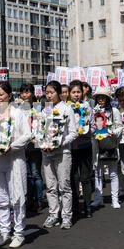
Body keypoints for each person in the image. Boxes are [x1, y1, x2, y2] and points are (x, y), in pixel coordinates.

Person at [0, 81, 31, 248]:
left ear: (9, 95)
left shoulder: (18, 113)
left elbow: (27, 136)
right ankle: (4, 231)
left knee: (17, 197)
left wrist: (11, 146)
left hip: (14, 160)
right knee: (2, 198)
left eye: (1, 94)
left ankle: (19, 232)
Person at [41, 81, 76, 229]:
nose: (48, 95)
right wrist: (41, 142)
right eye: (47, 93)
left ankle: (66, 216)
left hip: (63, 153)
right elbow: (40, 130)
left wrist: (60, 142)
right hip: (47, 153)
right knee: (50, 186)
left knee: (64, 185)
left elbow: (73, 133)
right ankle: (53, 214)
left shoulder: (67, 109)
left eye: (51, 92)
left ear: (59, 93)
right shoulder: (44, 110)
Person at [91, 87, 124, 209]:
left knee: (113, 173)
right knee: (98, 173)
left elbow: (120, 126)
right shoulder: (93, 111)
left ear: (107, 99)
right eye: (99, 97)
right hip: (97, 145)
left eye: (103, 97)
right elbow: (90, 126)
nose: (101, 100)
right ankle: (98, 198)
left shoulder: (114, 111)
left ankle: (115, 199)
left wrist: (113, 132)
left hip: (110, 144)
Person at [69, 80, 95, 219]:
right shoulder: (67, 108)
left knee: (85, 177)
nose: (76, 95)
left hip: (85, 146)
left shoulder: (87, 108)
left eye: (78, 92)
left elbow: (93, 127)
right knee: (73, 178)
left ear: (82, 92)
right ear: (69, 94)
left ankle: (87, 206)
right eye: (73, 92)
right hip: (71, 147)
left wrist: (85, 131)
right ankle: (74, 207)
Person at [19, 83, 45, 212]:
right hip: (23, 145)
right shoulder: (18, 108)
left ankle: (39, 199)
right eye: (23, 92)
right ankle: (29, 199)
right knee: (27, 174)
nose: (25, 95)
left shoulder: (39, 107)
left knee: (36, 173)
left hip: (35, 144)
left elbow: (44, 125)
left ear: (33, 93)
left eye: (28, 92)